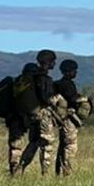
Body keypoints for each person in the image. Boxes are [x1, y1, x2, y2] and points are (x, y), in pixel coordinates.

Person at [18, 49, 61, 177]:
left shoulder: (31, 77)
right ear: (49, 62)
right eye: (53, 61)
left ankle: (20, 168)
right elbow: (46, 98)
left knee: (33, 143)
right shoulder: (44, 78)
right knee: (46, 144)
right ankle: (45, 174)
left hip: (32, 115)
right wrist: (58, 97)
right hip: (44, 115)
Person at [7, 64, 37, 177]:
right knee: (32, 142)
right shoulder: (31, 85)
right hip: (25, 117)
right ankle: (18, 171)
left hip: (13, 117)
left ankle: (13, 171)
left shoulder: (15, 83)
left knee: (15, 146)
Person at [54, 59, 83, 177]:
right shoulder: (68, 84)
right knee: (70, 146)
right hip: (68, 119)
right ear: (69, 71)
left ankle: (58, 172)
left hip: (61, 119)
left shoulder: (58, 84)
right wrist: (84, 100)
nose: (76, 73)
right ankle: (67, 173)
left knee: (62, 147)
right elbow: (73, 100)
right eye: (74, 70)